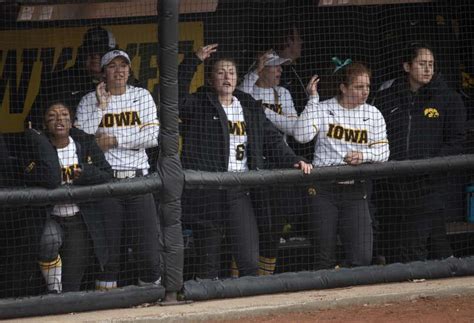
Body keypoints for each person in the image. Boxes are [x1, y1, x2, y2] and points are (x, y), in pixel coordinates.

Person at [179, 56, 312, 279]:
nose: (226, 77)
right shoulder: (199, 103)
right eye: (220, 72)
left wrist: (293, 159)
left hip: (239, 191)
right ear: (211, 79)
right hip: (208, 192)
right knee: (208, 266)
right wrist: (193, 61)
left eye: (231, 72)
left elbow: (271, 139)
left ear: (237, 78)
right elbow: (174, 99)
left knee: (249, 262)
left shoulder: (248, 105)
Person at [74, 49, 161, 289]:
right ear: (103, 73)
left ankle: (152, 305)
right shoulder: (89, 100)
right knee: (109, 258)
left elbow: (152, 136)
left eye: (123, 65)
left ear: (130, 70)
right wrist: (101, 107)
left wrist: (114, 140)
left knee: (149, 255)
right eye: (112, 66)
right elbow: (82, 139)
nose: (119, 70)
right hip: (105, 184)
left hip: (138, 181)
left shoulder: (142, 95)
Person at [372, 43, 466, 263]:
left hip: (428, 184)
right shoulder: (388, 97)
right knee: (393, 243)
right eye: (422, 64)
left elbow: (456, 141)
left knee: (418, 243)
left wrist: (431, 165)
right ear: (407, 66)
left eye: (431, 64)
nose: (427, 69)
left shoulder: (448, 99)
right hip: (392, 185)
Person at [293, 61, 389, 269]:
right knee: (323, 257)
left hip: (356, 189)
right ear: (343, 87)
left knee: (362, 256)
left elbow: (384, 153)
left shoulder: (373, 113)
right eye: (358, 87)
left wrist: (363, 155)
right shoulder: (324, 108)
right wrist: (313, 100)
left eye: (367, 87)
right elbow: (301, 136)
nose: (365, 92)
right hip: (323, 190)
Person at [238, 50, 319, 275]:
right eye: (275, 66)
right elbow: (238, 98)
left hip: (279, 160)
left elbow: (294, 128)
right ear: (262, 69)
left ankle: (266, 277)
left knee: (273, 226)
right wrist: (254, 74)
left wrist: (261, 112)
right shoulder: (248, 90)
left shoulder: (281, 93)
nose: (280, 70)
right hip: (252, 164)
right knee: (246, 226)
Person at [23, 102, 112, 293]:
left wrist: (85, 173)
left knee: (72, 281)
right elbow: (28, 176)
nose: (59, 119)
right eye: (52, 116)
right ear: (45, 124)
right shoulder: (38, 148)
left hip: (77, 219)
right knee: (49, 239)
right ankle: (54, 291)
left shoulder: (84, 144)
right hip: (50, 216)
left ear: (71, 123)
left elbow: (106, 173)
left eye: (64, 115)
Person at [33, 26, 117, 128]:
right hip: (73, 141)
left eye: (101, 51)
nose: (95, 55)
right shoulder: (58, 81)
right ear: (82, 53)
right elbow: (34, 122)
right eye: (90, 51)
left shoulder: (123, 81)